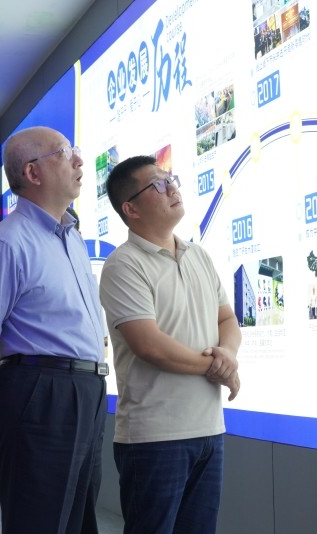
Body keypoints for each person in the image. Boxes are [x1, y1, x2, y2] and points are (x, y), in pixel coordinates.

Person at [0, 127, 107, 534]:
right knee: (39, 522)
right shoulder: (7, 243)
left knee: (79, 522)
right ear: (32, 172)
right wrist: (1, 415)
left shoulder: (73, 239)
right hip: (43, 393)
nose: (79, 160)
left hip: (88, 390)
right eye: (64, 152)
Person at [100, 155, 241, 534]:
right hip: (154, 437)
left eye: (170, 179)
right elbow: (150, 345)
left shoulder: (198, 255)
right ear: (131, 209)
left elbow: (227, 321)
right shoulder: (123, 265)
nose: (172, 188)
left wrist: (228, 355)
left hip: (209, 430)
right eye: (158, 185)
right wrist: (220, 368)